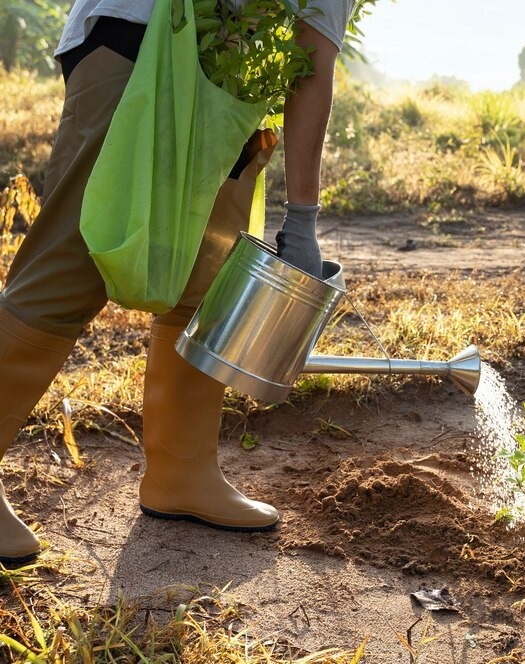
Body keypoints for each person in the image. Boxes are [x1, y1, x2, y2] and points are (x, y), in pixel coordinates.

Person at [0, 0, 355, 566]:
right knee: (76, 261)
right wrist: (305, 218)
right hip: (136, 49)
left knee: (203, 276)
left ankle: (182, 473)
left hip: (227, 84)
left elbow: (304, 50)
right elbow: (312, 62)